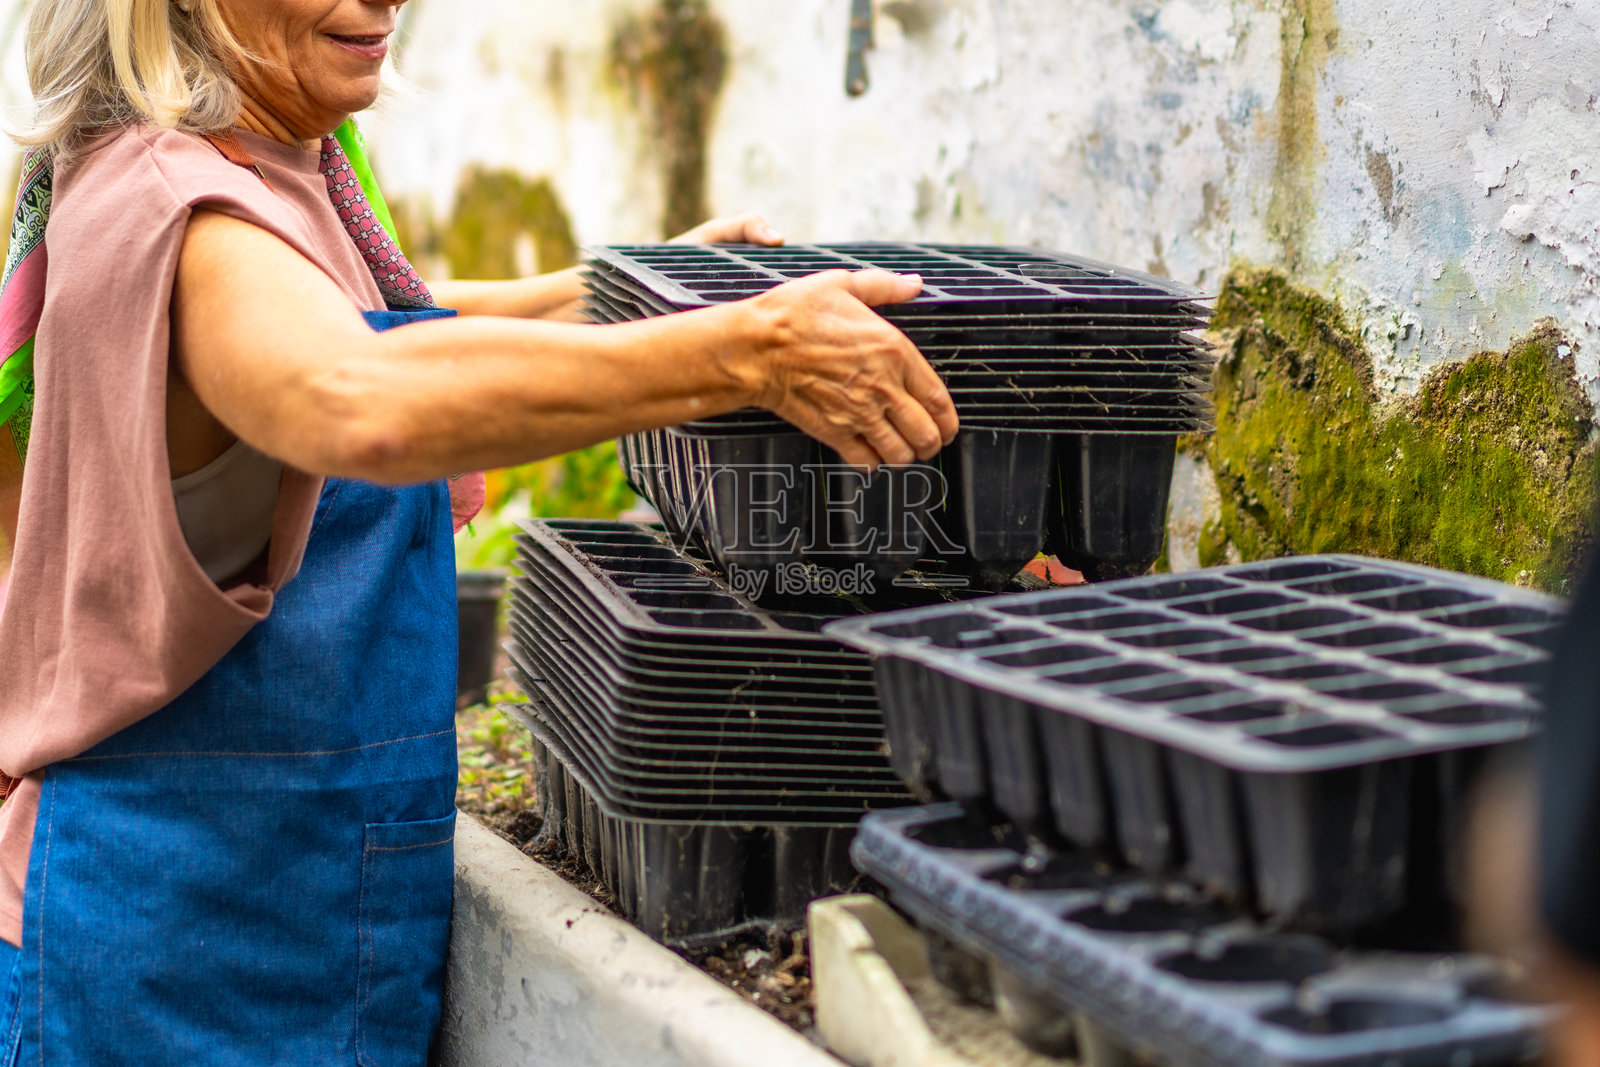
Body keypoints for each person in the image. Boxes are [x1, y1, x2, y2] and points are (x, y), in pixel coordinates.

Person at [0, 0, 958, 1062]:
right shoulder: (188, 203)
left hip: (286, 892)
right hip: (176, 947)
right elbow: (352, 389)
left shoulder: (260, 166)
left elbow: (380, 318)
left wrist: (640, 299)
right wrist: (746, 353)